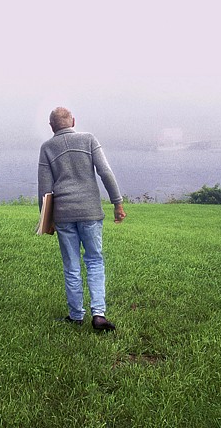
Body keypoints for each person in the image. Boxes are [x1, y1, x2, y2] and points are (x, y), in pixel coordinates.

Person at [38, 107, 126, 331]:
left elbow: (44, 189)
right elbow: (105, 172)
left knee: (71, 265)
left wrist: (46, 221)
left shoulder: (47, 148)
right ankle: (98, 314)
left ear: (51, 127)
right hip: (90, 212)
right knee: (95, 260)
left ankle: (76, 315)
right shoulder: (88, 139)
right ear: (73, 121)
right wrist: (117, 203)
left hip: (64, 215)